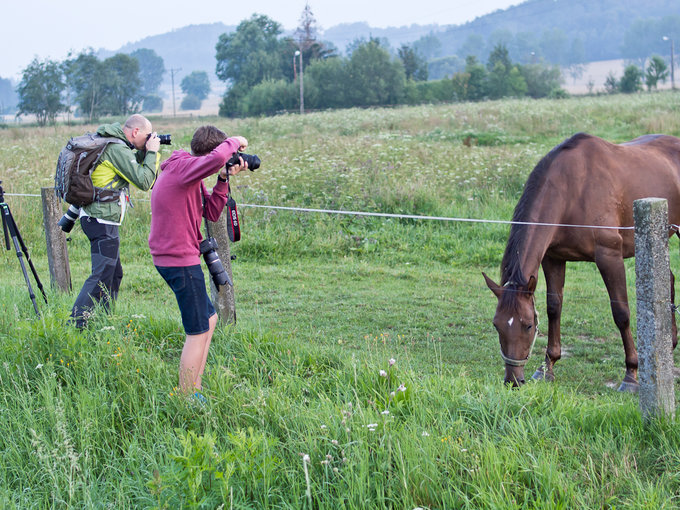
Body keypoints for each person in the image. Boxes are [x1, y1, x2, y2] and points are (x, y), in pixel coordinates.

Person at [148, 125, 248, 399]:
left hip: (177, 256)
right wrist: (235, 141)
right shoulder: (184, 169)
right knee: (197, 330)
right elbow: (215, 159)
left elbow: (213, 212)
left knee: (210, 318)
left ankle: (195, 388)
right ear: (211, 154)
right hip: (178, 258)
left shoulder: (186, 173)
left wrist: (223, 180)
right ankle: (186, 397)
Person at [71, 114, 161, 329]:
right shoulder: (116, 149)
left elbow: (133, 171)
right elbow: (144, 180)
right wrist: (152, 152)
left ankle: (103, 322)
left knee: (113, 273)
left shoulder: (112, 144)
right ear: (135, 132)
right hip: (102, 219)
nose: (149, 140)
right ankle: (76, 325)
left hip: (98, 218)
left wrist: (144, 152)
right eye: (147, 136)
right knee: (101, 274)